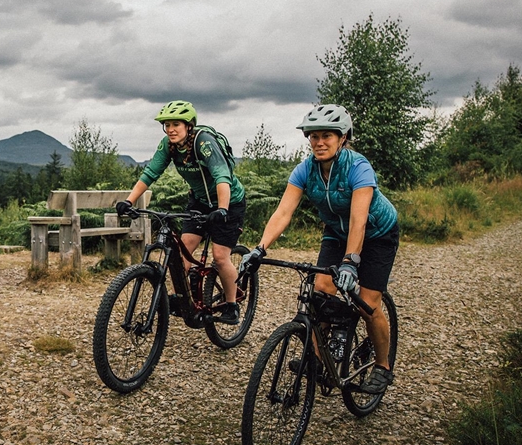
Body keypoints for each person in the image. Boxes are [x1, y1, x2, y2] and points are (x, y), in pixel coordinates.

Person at [245, 104, 399, 394]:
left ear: (343, 138)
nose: (319, 142)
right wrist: (259, 249)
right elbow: (283, 213)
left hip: (377, 233)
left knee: (367, 304)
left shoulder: (358, 167)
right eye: (313, 136)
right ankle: (318, 359)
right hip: (336, 232)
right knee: (321, 292)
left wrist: (351, 262)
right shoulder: (306, 170)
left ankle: (382, 367)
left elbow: (358, 219)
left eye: (327, 135)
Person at [117, 100, 247, 324]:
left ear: (189, 125)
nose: (170, 129)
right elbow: (150, 173)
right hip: (198, 202)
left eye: (176, 124)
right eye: (167, 125)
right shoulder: (168, 145)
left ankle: (232, 305)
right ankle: (184, 298)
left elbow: (221, 176)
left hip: (229, 202)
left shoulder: (203, 143)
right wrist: (129, 201)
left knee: (220, 257)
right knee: (182, 254)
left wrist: (223, 209)